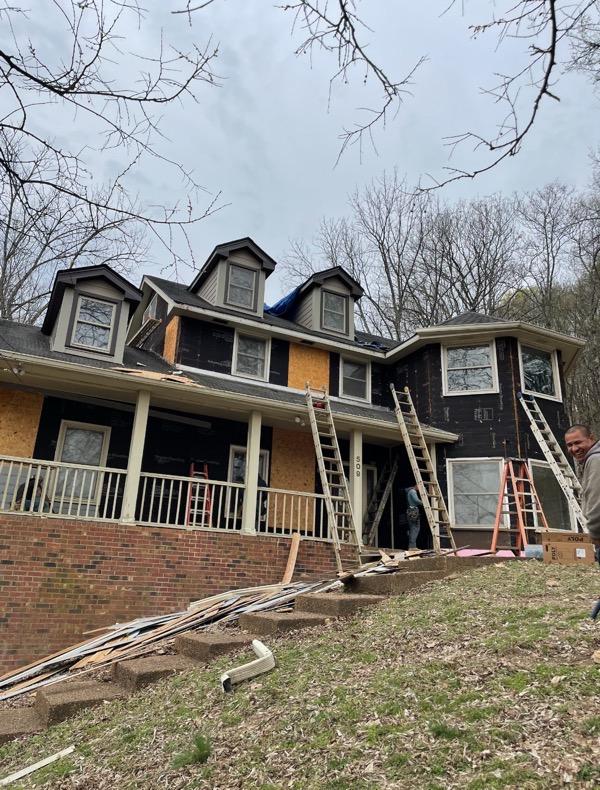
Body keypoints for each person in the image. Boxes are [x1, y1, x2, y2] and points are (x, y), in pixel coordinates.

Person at [565, 423, 600, 557]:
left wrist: (595, 534)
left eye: (578, 442)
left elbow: (596, 502)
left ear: (591, 438)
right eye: (569, 445)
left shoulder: (595, 460)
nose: (574, 449)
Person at [406, 485, 423, 550]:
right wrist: (423, 503)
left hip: (410, 511)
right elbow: (416, 500)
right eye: (420, 487)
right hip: (414, 511)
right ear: (417, 485)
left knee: (412, 528)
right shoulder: (413, 491)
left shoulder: (409, 491)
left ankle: (412, 546)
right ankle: (412, 546)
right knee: (415, 528)